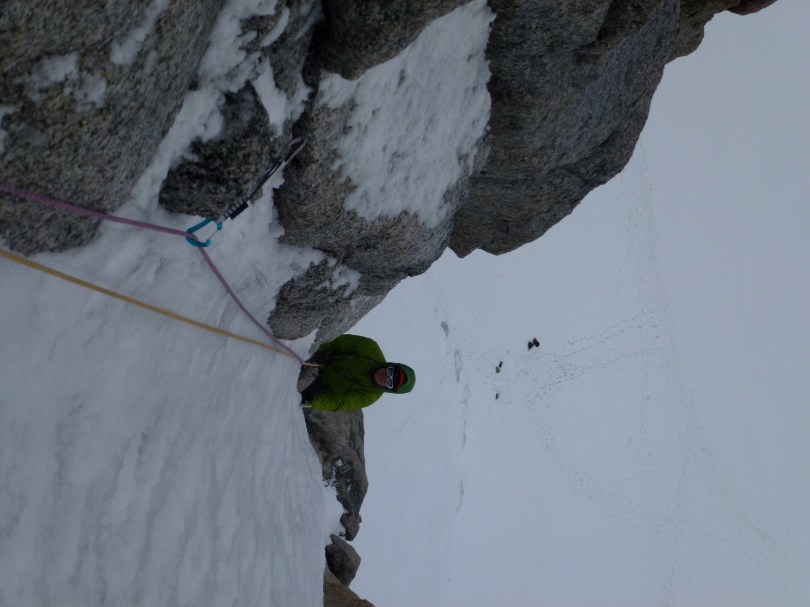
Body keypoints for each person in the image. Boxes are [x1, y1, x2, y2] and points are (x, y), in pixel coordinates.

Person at [299, 334, 415, 411]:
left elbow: (340, 402)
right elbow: (337, 341)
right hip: (326, 354)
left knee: (303, 404)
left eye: (389, 383)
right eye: (390, 372)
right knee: (300, 352)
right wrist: (312, 351)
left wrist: (313, 402)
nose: (385, 377)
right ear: (391, 366)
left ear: (387, 389)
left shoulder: (369, 396)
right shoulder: (370, 348)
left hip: (326, 384)